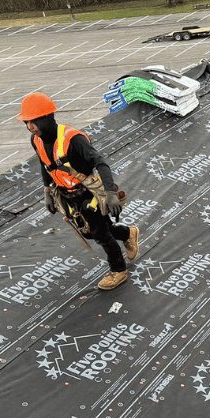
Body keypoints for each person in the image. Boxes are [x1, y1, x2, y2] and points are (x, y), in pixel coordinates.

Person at [18, 92, 140, 291]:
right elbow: (45, 163)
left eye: (34, 121)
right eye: (26, 122)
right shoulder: (37, 140)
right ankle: (128, 233)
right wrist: (47, 190)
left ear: (48, 117)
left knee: (100, 234)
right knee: (91, 232)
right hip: (67, 196)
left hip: (88, 195)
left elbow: (100, 163)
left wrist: (109, 193)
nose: (30, 127)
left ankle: (119, 270)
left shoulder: (73, 140)